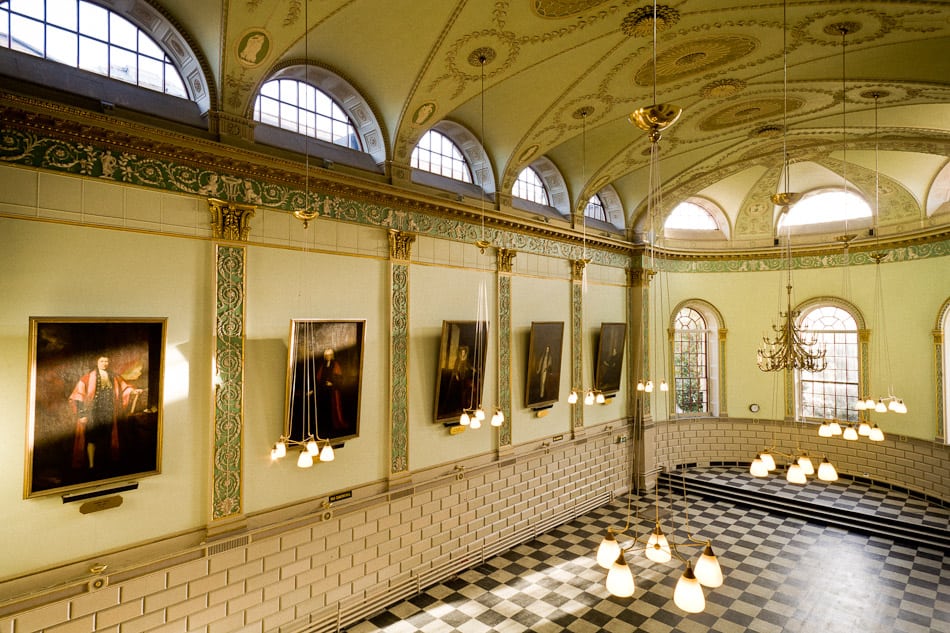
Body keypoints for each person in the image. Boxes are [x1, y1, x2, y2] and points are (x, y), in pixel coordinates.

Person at [68, 355, 142, 471]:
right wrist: (82, 414)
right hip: (93, 413)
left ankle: (104, 463)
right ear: (97, 362)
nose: (105, 363)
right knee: (91, 439)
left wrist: (133, 390)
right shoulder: (87, 378)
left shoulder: (114, 377)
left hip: (108, 412)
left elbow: (124, 388)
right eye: (102, 361)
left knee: (107, 438)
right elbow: (78, 396)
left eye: (106, 361)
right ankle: (91, 465)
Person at [315, 348, 348, 436]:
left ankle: (333, 426)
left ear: (332, 356)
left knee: (333, 408)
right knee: (325, 408)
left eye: (329, 355)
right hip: (324, 391)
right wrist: (323, 383)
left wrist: (332, 383)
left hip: (333, 391)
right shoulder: (323, 365)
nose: (328, 357)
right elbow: (319, 378)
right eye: (326, 355)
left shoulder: (336, 365)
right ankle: (325, 426)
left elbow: (340, 378)